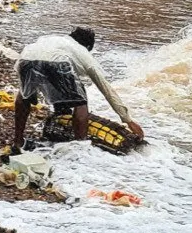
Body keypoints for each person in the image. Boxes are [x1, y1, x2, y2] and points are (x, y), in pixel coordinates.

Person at [12, 26, 144, 149]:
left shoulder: (55, 40)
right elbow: (106, 89)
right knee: (80, 102)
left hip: (25, 59)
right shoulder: (82, 52)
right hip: (58, 63)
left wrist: (30, 93)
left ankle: (18, 142)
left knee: (24, 96)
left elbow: (43, 74)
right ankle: (80, 148)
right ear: (87, 46)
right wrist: (128, 120)